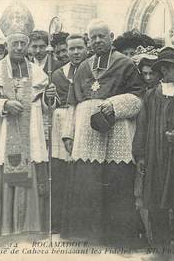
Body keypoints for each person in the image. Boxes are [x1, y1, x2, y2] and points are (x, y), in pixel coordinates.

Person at [0, 1, 58, 241]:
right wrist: (3, 105)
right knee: (2, 176)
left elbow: (46, 106)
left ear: (28, 44)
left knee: (31, 176)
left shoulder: (38, 72)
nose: (20, 47)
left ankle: (30, 231)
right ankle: (1, 233)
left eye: (24, 43)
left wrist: (49, 99)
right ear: (7, 44)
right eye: (15, 43)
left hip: (30, 137)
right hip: (2, 136)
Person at [61, 19, 144, 247]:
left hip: (116, 131)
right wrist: (68, 134)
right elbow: (73, 103)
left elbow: (138, 97)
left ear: (111, 37)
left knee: (115, 184)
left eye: (101, 36)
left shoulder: (125, 64)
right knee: (87, 184)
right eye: (93, 37)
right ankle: (88, 237)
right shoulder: (83, 67)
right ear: (88, 41)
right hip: (86, 136)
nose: (97, 41)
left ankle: (117, 239)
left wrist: (115, 105)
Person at [132, 47, 174, 253]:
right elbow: (141, 127)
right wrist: (140, 156)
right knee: (155, 201)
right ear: (165, 70)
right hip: (154, 158)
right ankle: (160, 247)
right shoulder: (150, 96)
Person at [50, 33, 87, 234]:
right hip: (61, 124)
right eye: (70, 49)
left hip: (83, 122)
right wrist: (50, 100)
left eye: (78, 48)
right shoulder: (58, 74)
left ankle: (79, 226)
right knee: (62, 172)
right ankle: (61, 224)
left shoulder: (92, 69)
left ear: (86, 48)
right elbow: (53, 103)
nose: (74, 52)